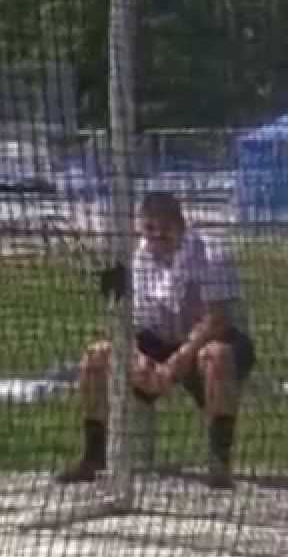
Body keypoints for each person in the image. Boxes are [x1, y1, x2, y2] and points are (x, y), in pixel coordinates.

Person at [56, 192, 255, 489]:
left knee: (217, 356)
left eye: (166, 227)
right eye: (150, 228)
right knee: (96, 356)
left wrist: (172, 367)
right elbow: (116, 318)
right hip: (156, 340)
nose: (158, 235)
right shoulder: (126, 257)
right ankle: (93, 457)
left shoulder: (211, 252)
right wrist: (136, 358)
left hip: (208, 340)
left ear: (181, 224)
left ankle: (219, 463)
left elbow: (216, 320)